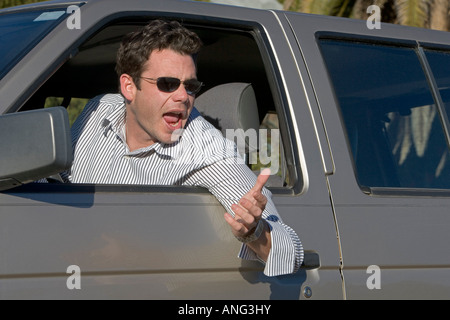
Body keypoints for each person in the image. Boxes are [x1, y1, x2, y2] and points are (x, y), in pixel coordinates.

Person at [64, 19, 303, 277]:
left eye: (190, 86)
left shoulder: (209, 151)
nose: (182, 96)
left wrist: (255, 232)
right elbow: (56, 181)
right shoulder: (99, 110)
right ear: (129, 87)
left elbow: (289, 253)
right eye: (167, 83)